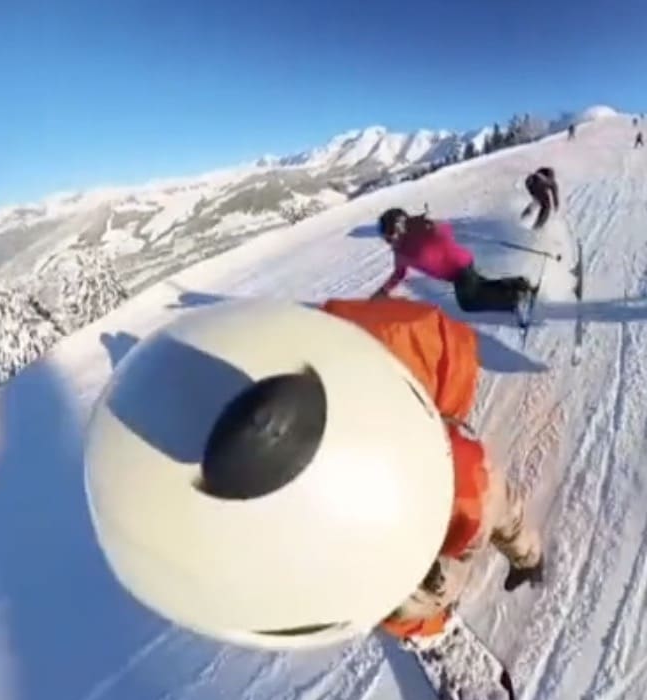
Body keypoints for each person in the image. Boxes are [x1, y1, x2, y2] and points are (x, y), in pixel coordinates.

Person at [82, 297, 545, 653]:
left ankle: (428, 618)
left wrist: (524, 554)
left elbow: (498, 510)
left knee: (410, 580)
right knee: (397, 580)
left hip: (433, 418)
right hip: (402, 403)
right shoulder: (342, 352)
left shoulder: (465, 489)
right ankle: (426, 614)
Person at [372, 208, 533, 313]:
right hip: (454, 272)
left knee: (468, 302)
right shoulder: (400, 252)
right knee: (480, 287)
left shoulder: (422, 233)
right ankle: (518, 284)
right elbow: (399, 272)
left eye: (390, 236)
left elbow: (446, 231)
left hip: (460, 265)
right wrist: (384, 290)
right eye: (385, 238)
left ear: (400, 229)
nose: (388, 241)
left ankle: (515, 300)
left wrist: (432, 225)